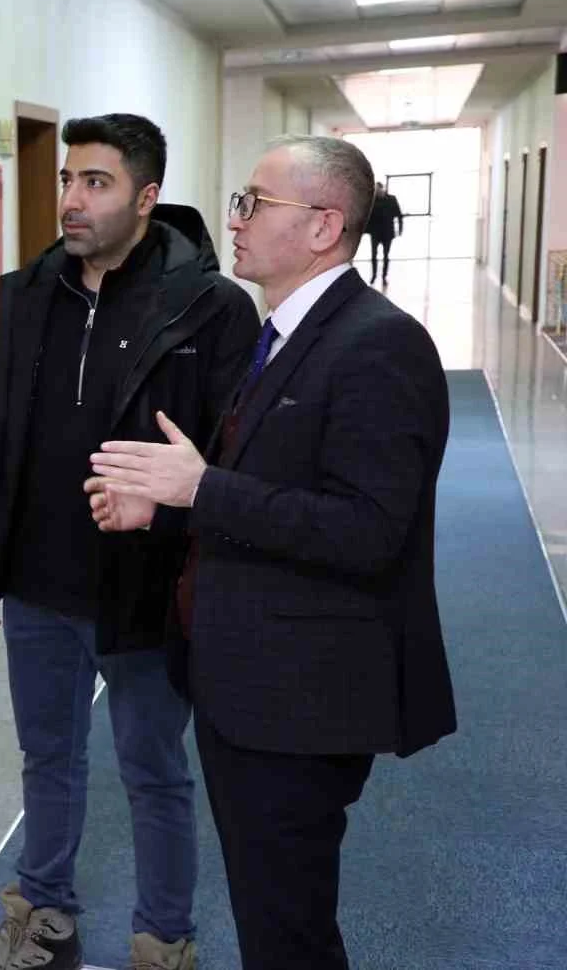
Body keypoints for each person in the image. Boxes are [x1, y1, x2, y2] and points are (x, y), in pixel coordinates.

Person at [86, 135, 457, 969]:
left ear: (324, 226)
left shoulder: (378, 344)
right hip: (245, 682)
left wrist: (200, 490)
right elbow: (266, 493)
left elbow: (369, 529)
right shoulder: (285, 333)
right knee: (269, 917)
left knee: (287, 932)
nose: (236, 220)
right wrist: (164, 510)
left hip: (302, 696)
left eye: (255, 204)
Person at [0, 113, 259, 970]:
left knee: (152, 770)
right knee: (47, 758)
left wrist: (179, 521)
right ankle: (44, 923)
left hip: (144, 586)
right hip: (37, 582)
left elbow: (232, 465)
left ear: (146, 197)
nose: (72, 200)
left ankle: (163, 944)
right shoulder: (33, 294)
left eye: (96, 183)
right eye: (67, 180)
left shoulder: (210, 307)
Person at [366, 180, 402, 288]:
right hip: (375, 232)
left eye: (378, 190)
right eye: (375, 190)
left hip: (387, 232)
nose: (377, 192)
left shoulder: (391, 199)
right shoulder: (372, 200)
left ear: (382, 189)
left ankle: (384, 276)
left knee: (386, 255)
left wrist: (400, 229)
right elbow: (367, 216)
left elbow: (398, 214)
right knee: (373, 255)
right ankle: (374, 276)